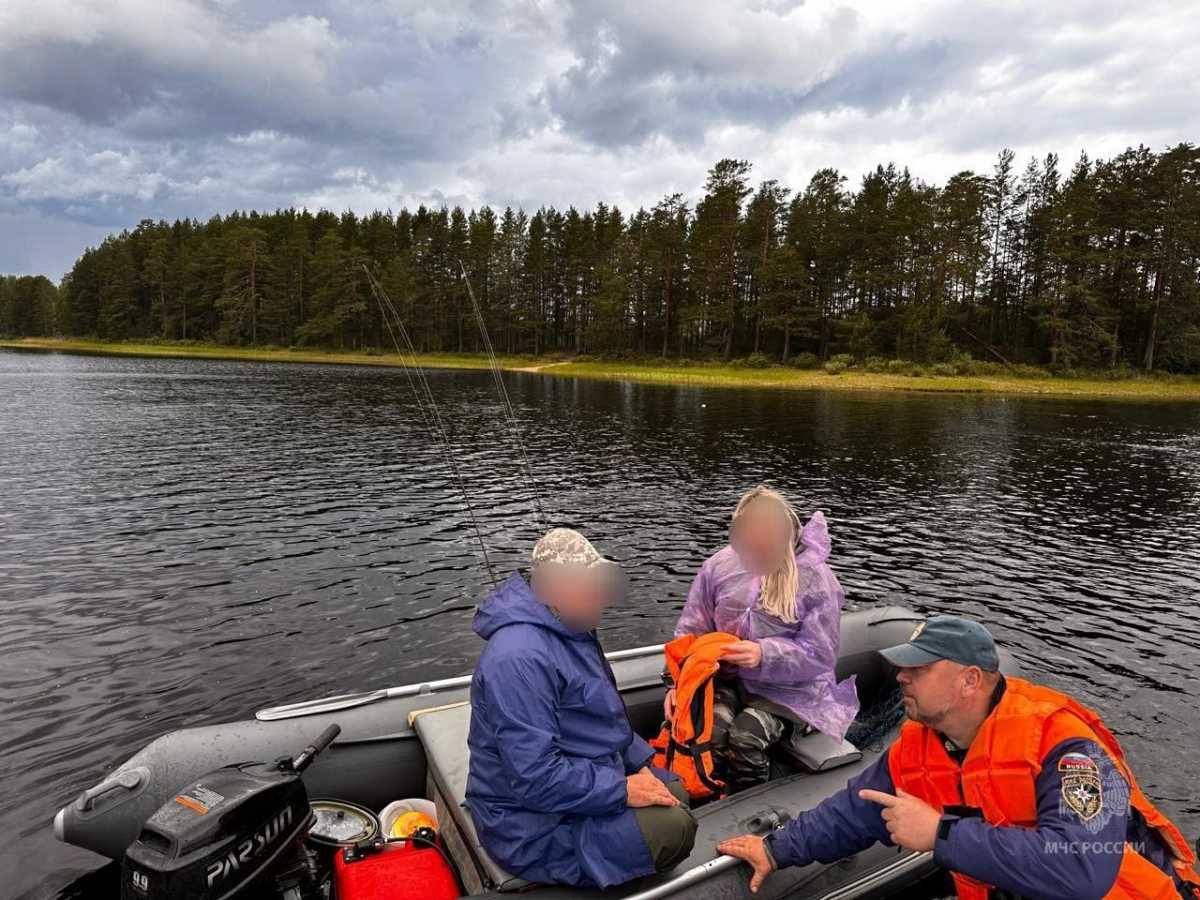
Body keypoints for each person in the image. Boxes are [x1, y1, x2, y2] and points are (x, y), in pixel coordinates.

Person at [717, 615, 1200, 899]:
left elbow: (1082, 869)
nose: (900, 677)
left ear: (970, 681)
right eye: (901, 668)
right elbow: (855, 811)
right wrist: (775, 850)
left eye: (918, 669)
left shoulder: (1068, 749)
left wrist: (939, 834)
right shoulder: (921, 745)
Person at [466, 528, 698, 889]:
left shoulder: (573, 627)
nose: (602, 598)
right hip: (530, 822)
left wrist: (641, 763)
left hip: (581, 780)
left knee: (676, 789)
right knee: (673, 830)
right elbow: (534, 778)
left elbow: (601, 716)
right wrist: (622, 790)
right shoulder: (518, 659)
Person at [667, 485, 858, 790]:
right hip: (729, 680)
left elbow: (821, 654)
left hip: (792, 691)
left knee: (745, 737)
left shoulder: (817, 581)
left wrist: (764, 654)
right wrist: (678, 683)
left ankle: (748, 798)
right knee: (710, 732)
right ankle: (710, 792)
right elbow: (693, 629)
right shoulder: (719, 566)